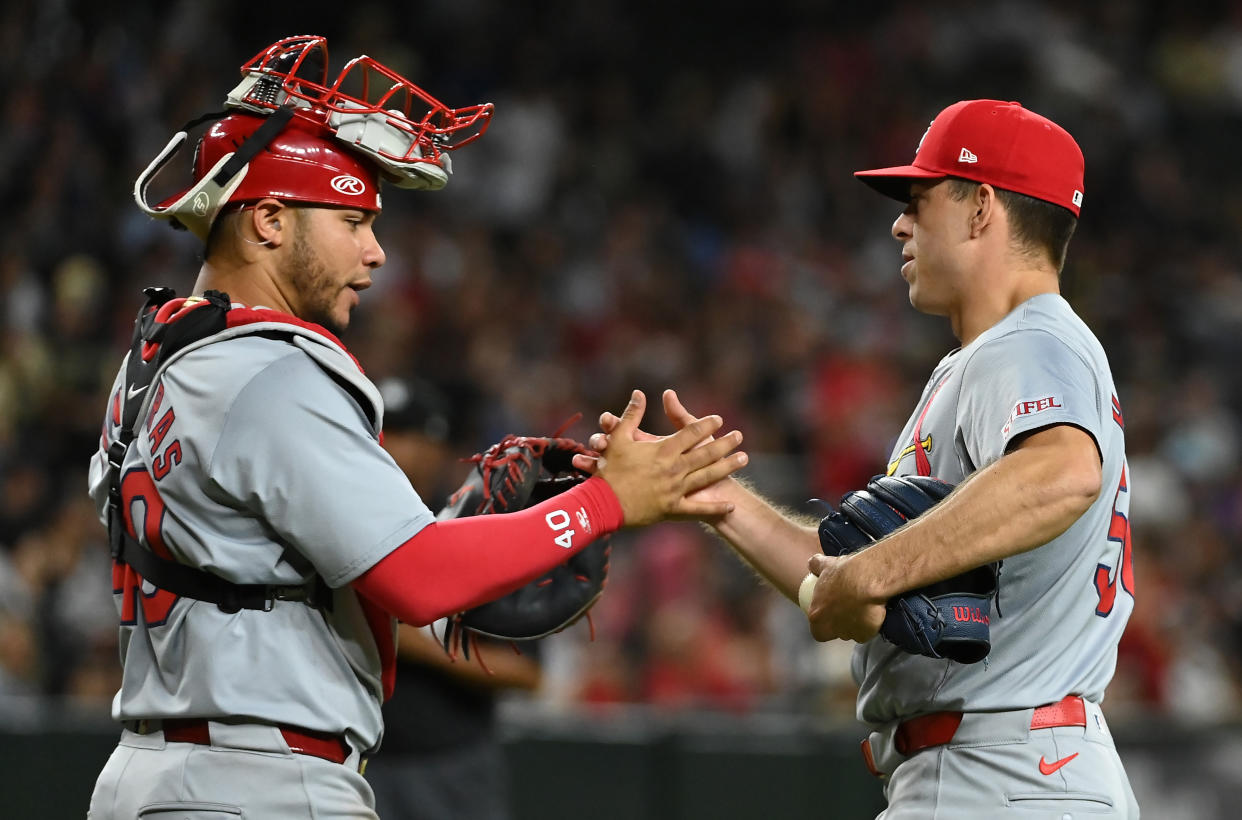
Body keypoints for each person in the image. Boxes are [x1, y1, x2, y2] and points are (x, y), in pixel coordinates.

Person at [85, 36, 747, 820]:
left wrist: (438, 532)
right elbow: (418, 581)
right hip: (254, 781)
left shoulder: (160, 360)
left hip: (164, 770)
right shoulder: (272, 371)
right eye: (352, 221)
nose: (375, 252)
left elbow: (277, 564)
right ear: (268, 220)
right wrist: (606, 503)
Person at [586, 99, 1139, 817]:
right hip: (1013, 767)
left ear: (981, 208)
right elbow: (838, 574)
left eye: (919, 200)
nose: (899, 224)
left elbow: (1062, 473)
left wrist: (871, 572)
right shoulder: (995, 358)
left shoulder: (1031, 340)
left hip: (1003, 771)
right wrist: (714, 494)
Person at [366, 376, 538, 820]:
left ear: (437, 448)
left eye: (408, 434)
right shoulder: (346, 526)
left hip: (450, 766)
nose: (394, 447)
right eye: (386, 432)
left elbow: (526, 673)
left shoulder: (479, 530)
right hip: (357, 761)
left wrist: (417, 643)